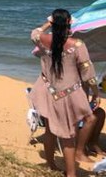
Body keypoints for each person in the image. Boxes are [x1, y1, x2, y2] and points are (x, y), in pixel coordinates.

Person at [29, 9, 99, 177]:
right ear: (69, 23)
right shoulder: (77, 45)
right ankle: (71, 173)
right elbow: (88, 74)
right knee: (68, 135)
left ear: (53, 23)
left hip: (47, 90)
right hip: (69, 94)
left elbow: (36, 32)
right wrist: (95, 93)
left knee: (50, 130)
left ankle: (51, 164)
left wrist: (48, 23)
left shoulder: (42, 40)